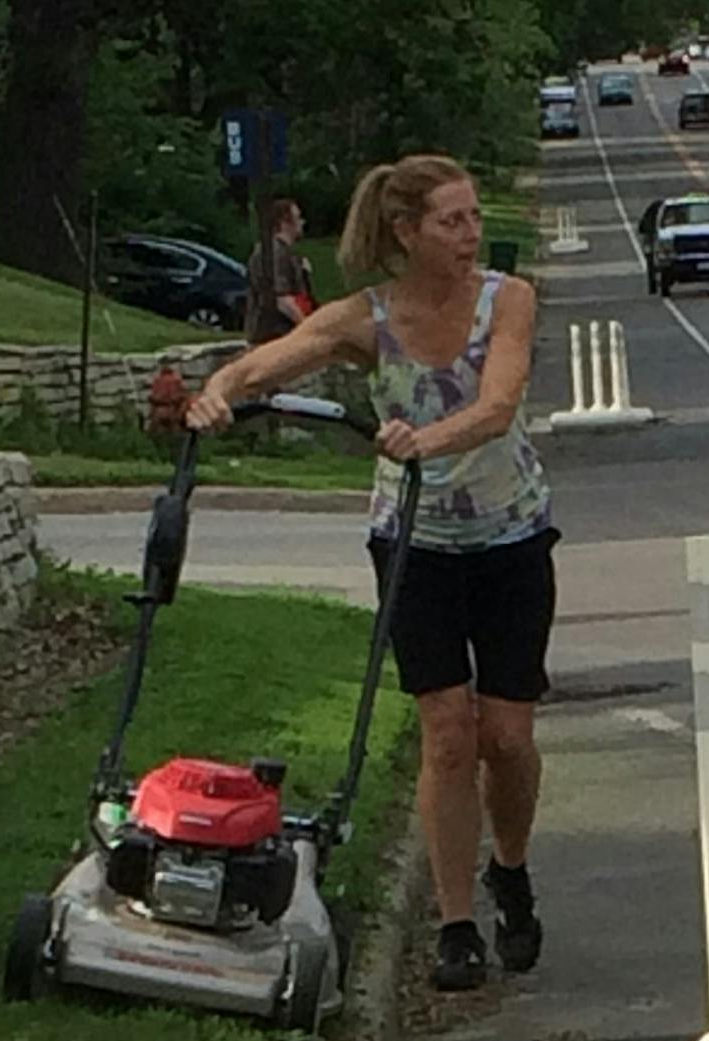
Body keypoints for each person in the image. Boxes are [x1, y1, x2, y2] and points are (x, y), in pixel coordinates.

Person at [187, 155, 556, 993]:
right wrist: (218, 392)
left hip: (510, 537)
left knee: (507, 734)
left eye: (472, 219)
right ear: (406, 233)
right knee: (448, 729)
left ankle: (513, 866)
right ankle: (457, 921)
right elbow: (274, 358)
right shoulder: (369, 320)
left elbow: (497, 404)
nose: (471, 236)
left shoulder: (509, 299)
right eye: (451, 222)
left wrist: (425, 440)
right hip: (412, 541)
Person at [245, 198, 316, 345]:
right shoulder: (275, 253)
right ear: (284, 222)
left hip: (277, 336)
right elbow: (282, 299)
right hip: (274, 336)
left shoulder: (285, 253)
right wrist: (308, 329)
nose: (302, 222)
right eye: (298, 218)